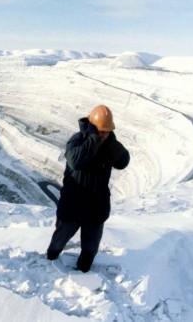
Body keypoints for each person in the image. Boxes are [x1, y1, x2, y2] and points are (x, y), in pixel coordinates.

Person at [46, 104, 130, 272]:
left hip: (96, 206)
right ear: (92, 128)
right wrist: (93, 139)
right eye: (101, 131)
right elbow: (75, 162)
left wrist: (112, 143)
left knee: (91, 246)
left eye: (107, 131)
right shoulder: (77, 140)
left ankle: (84, 269)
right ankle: (50, 260)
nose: (104, 134)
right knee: (60, 239)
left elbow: (123, 162)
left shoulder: (109, 144)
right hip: (73, 204)